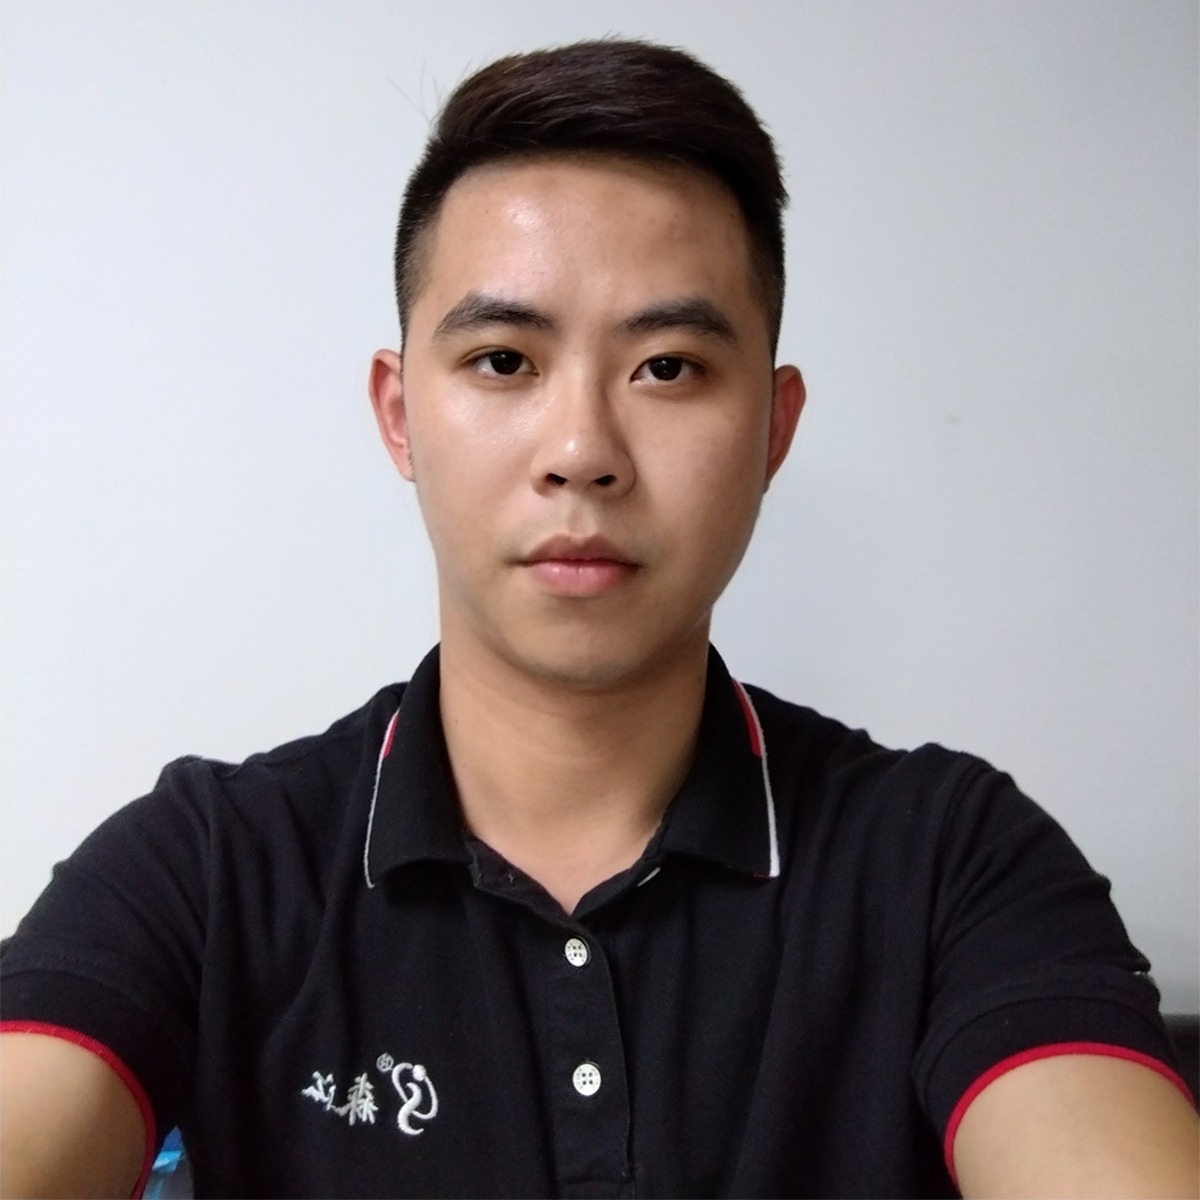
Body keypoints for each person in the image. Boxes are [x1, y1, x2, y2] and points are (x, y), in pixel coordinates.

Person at [0, 37, 1196, 1200]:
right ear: (400, 414)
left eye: (667, 366)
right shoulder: (206, 869)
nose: (582, 451)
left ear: (774, 430)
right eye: (503, 361)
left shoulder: (952, 863)